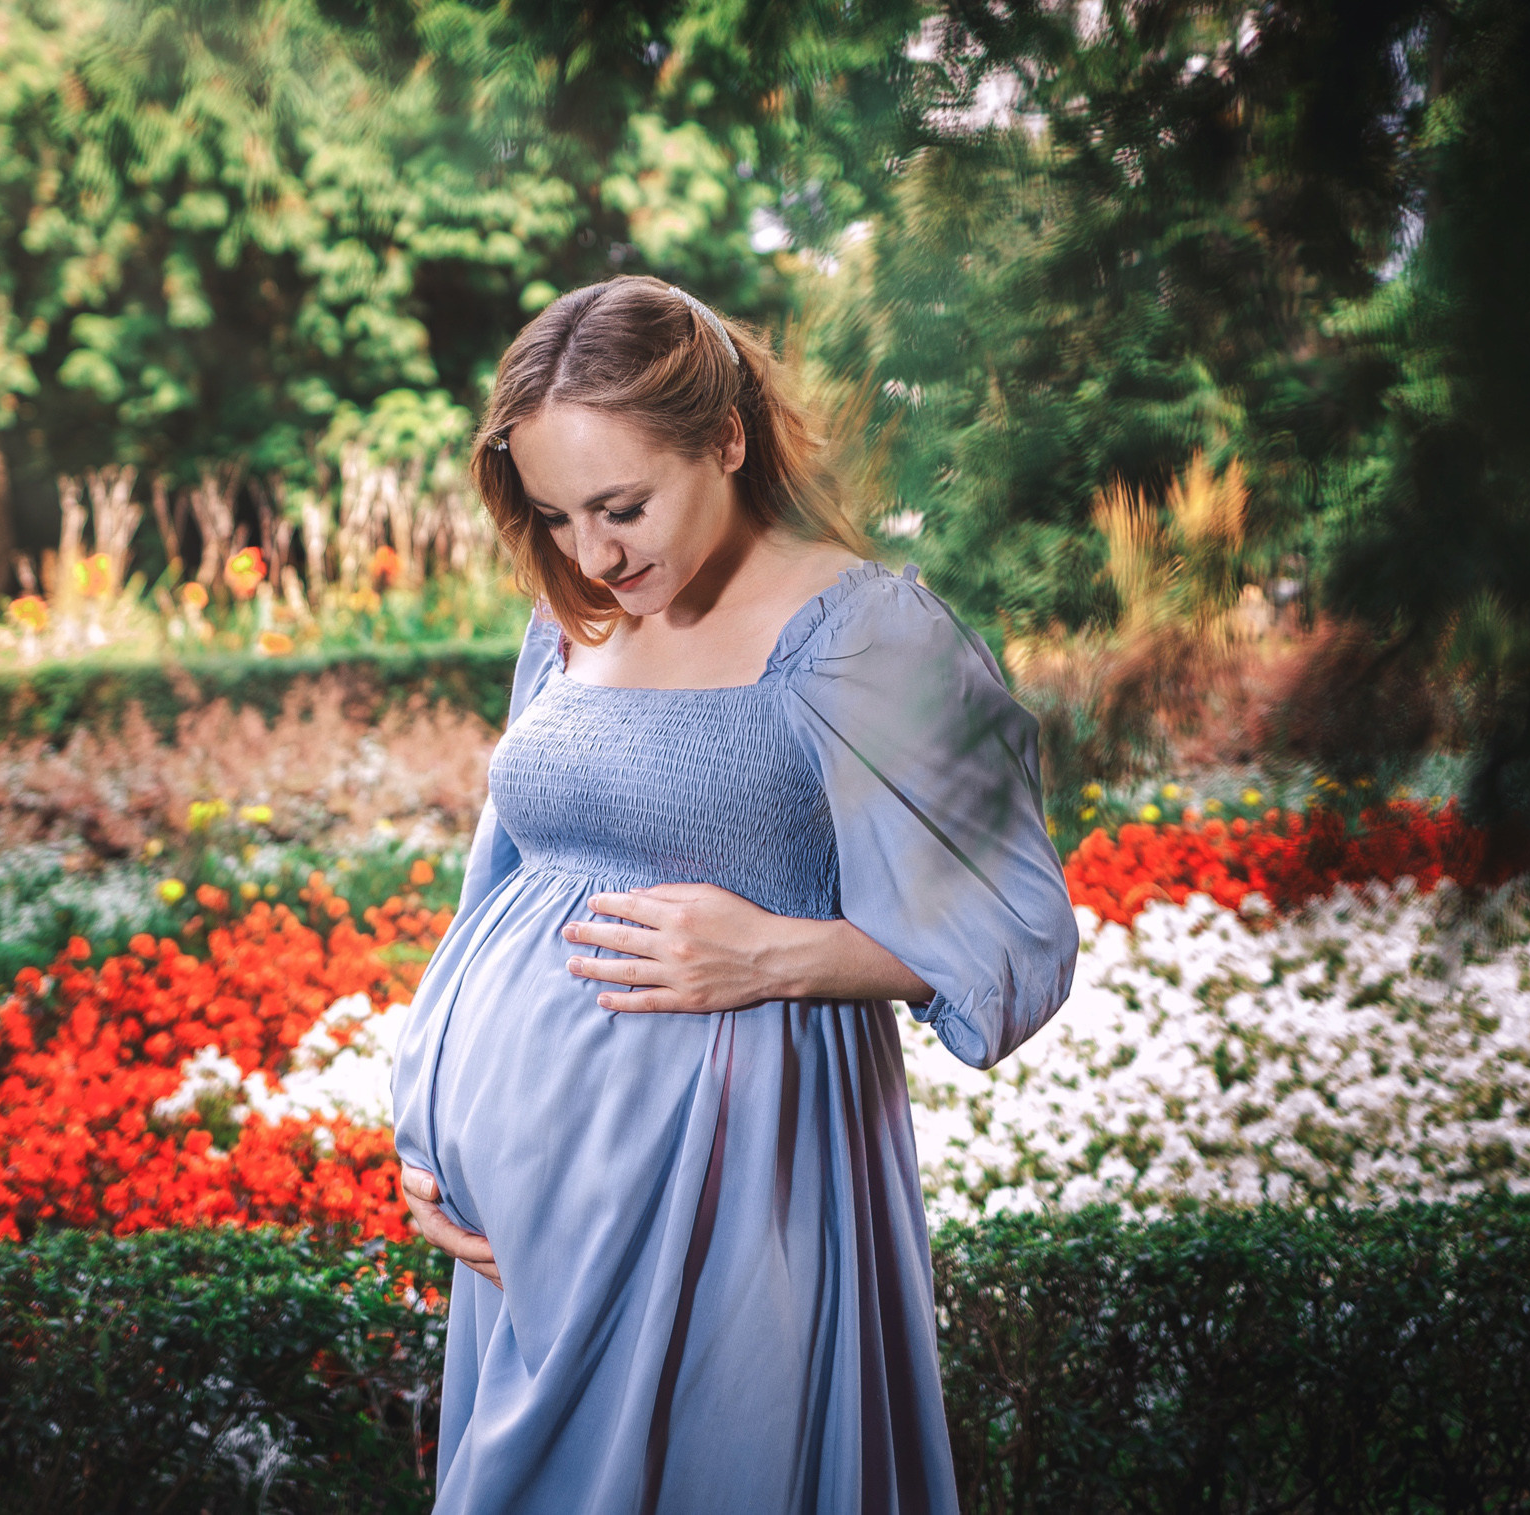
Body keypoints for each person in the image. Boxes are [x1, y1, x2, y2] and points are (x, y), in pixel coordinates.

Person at [389, 276, 1079, 1514]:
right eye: (553, 516)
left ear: (725, 438)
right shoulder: (570, 622)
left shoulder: (871, 636)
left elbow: (1016, 931)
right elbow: (501, 883)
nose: (591, 552)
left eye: (620, 505)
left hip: (729, 1182)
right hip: (529, 1228)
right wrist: (430, 1123)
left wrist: (773, 955)